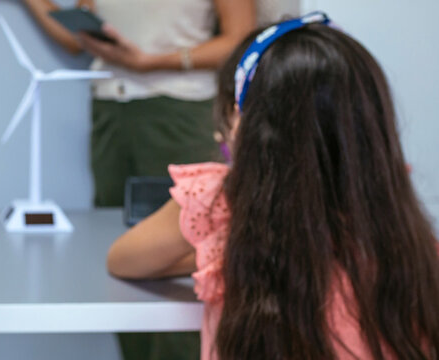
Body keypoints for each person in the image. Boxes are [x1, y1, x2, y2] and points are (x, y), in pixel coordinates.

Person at [107, 13, 439, 359]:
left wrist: (216, 247)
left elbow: (124, 259)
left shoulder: (219, 201)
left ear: (244, 127)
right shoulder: (407, 240)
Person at [21, 0, 255, 207]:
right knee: (108, 219)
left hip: (179, 109)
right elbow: (76, 38)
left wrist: (152, 63)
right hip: (111, 108)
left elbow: (241, 40)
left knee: (181, 223)